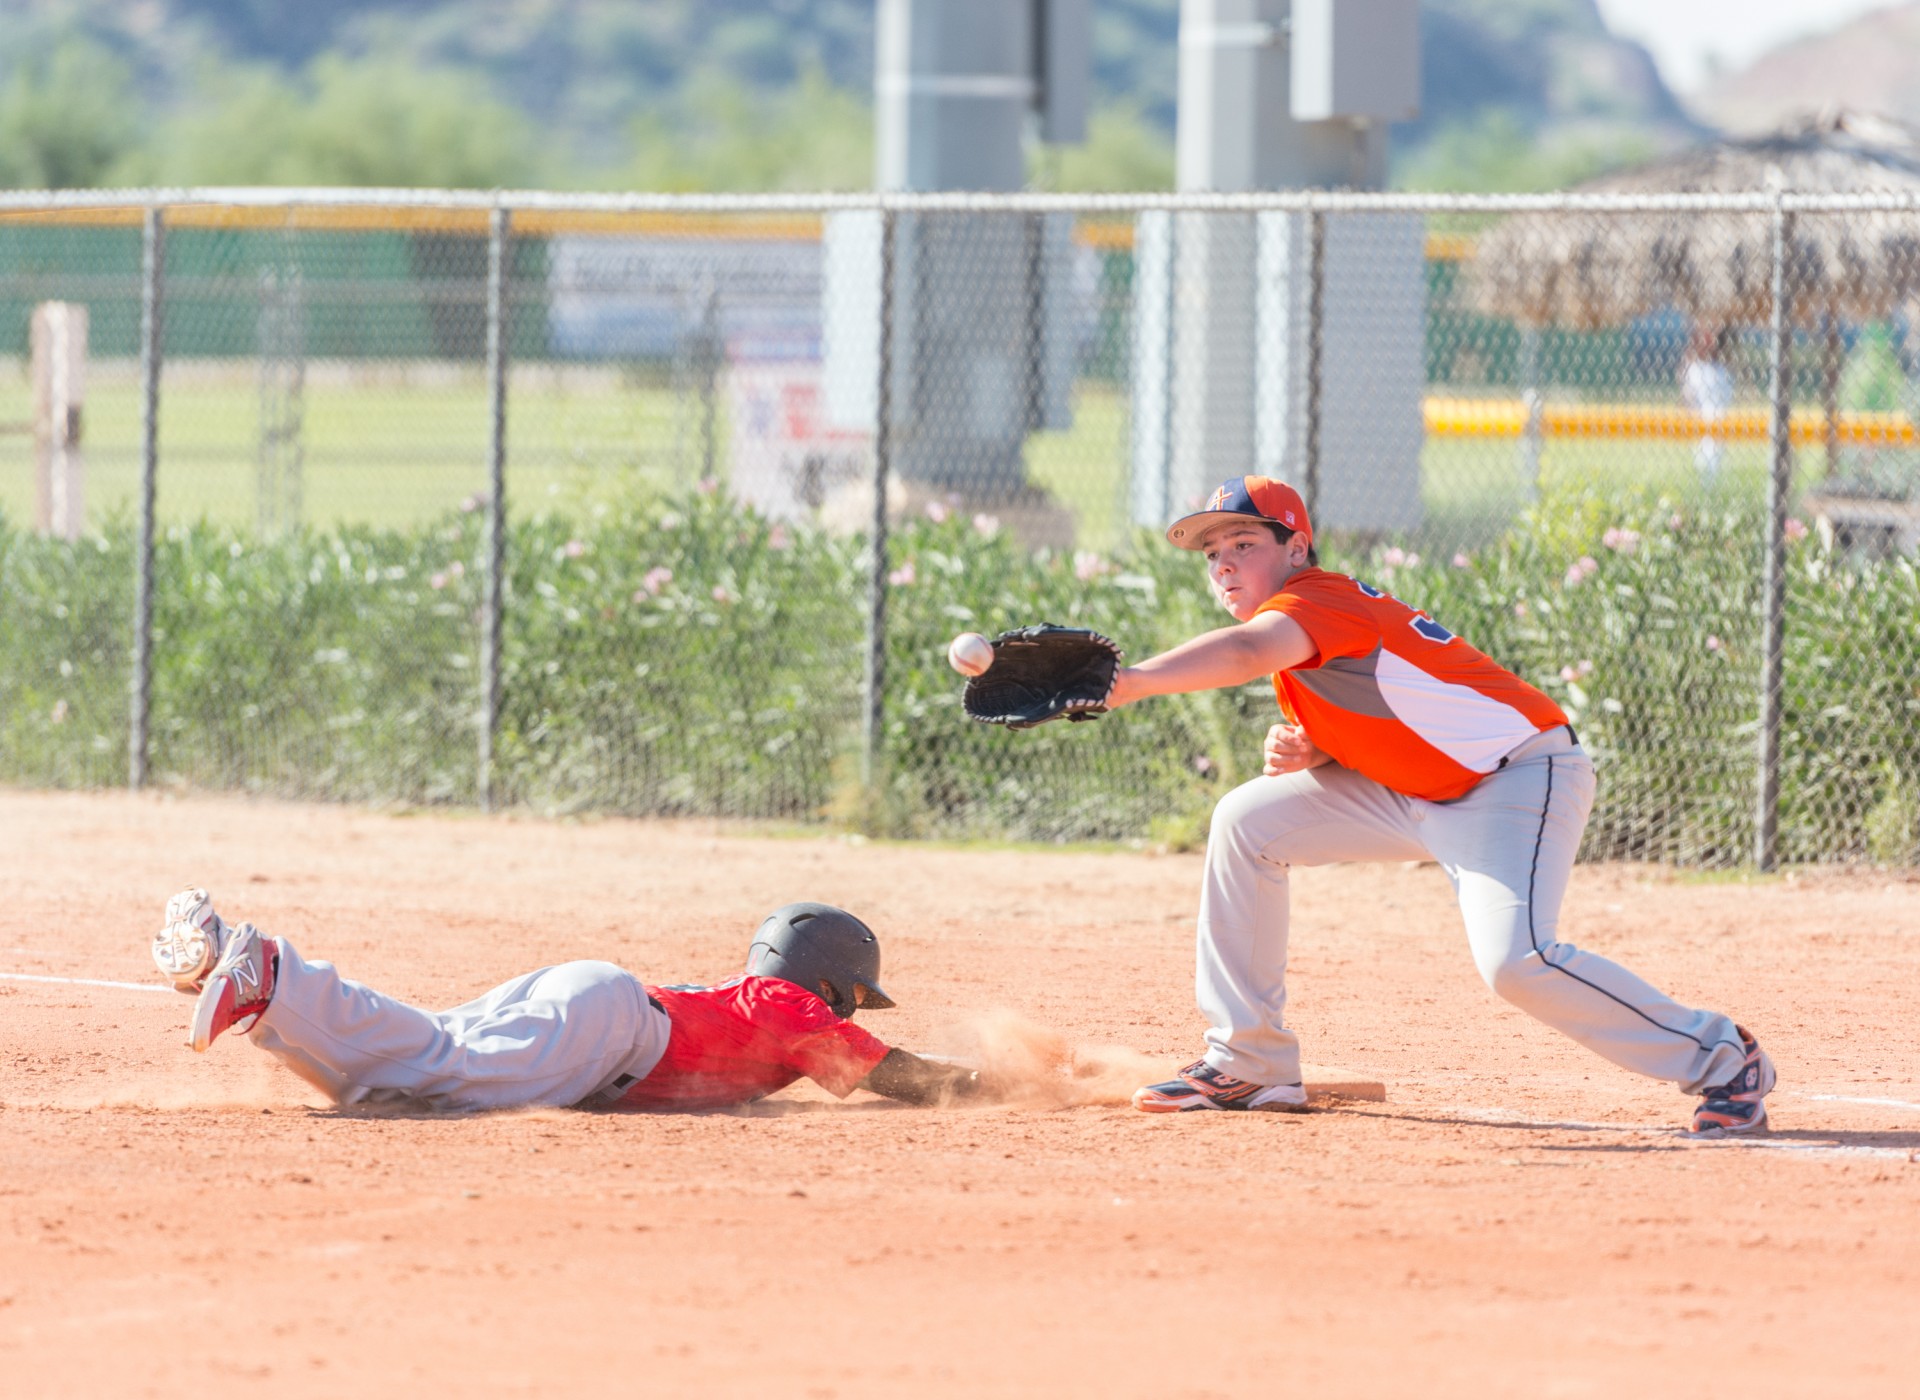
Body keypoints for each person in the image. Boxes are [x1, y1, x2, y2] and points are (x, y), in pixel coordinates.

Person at [1101, 475, 1775, 1134]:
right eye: (1212, 553)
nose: (1223, 563)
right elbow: (1396, 715)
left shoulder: (1317, 599)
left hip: (1516, 780)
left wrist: (1129, 683)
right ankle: (1249, 1060)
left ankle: (1723, 1057)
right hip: (1420, 793)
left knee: (1519, 962)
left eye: (1243, 542)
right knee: (1247, 821)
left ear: (1297, 548)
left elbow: (1247, 649)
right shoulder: (1303, 636)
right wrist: (1320, 755)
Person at [149, 890, 984, 1113]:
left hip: (599, 1013)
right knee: (447, 1067)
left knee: (407, 1082)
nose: (848, 1015)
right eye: (849, 1001)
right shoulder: (787, 1006)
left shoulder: (761, 1004)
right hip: (612, 1030)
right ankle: (270, 970)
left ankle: (251, 990)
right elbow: (900, 1078)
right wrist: (1018, 1084)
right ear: (829, 983)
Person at [1679, 325, 1734, 485]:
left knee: (1714, 459)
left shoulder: (1722, 370)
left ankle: (1710, 489)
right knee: (1703, 461)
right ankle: (1704, 489)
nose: (1708, 345)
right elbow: (1687, 397)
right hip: (1700, 420)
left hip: (1719, 419)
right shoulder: (1695, 370)